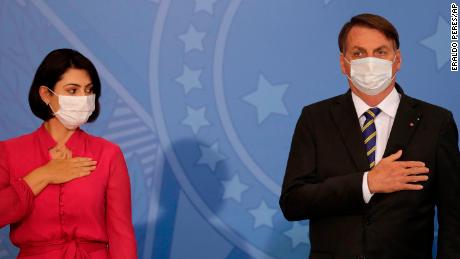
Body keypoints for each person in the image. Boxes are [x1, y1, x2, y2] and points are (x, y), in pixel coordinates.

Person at [279, 13, 460, 258]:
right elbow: (293, 202)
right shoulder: (315, 119)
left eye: (381, 52)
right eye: (359, 53)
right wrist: (367, 183)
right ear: (344, 63)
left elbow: (454, 216)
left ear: (398, 60)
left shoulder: (436, 122)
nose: (371, 61)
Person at [0, 49, 138, 258]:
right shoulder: (10, 152)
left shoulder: (108, 154)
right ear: (46, 94)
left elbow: (122, 234)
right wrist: (43, 175)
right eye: (72, 91)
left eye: (89, 90)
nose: (83, 98)